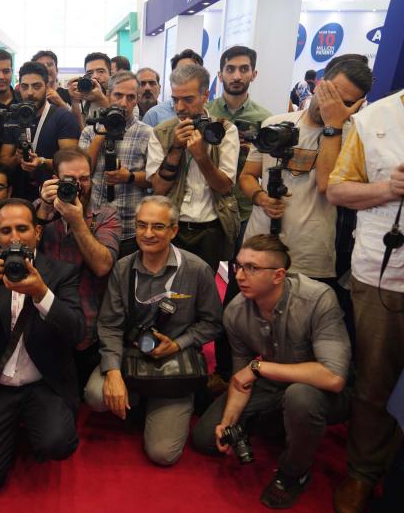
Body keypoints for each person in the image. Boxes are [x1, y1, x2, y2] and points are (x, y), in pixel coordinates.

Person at [191, 234, 350, 509]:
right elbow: (241, 379)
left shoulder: (317, 299)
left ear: (278, 275)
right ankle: (279, 424)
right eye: (239, 266)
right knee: (207, 439)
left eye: (252, 268)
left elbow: (334, 377)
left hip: (321, 391)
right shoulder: (236, 311)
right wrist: (228, 421)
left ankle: (294, 473)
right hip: (272, 384)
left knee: (300, 398)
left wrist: (259, 367)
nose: (239, 275)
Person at [0, 198, 85, 495]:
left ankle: (29, 430)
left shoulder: (61, 273)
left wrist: (42, 293)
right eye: (5, 230)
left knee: (58, 443)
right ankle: (3, 434)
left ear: (37, 232)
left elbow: (77, 332)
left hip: (42, 383)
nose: (14, 237)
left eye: (22, 228)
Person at [85, 196, 222, 466]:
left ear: (173, 230)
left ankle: (160, 401)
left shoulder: (196, 269)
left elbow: (213, 323)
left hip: (175, 362)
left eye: (158, 226)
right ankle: (137, 395)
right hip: (132, 354)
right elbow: (110, 324)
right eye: (141, 225)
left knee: (163, 454)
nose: (148, 234)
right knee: (96, 395)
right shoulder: (123, 268)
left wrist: (179, 343)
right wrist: (113, 373)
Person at [327, 89, 404, 513]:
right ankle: (363, 471)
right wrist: (388, 188)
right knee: (375, 379)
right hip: (383, 274)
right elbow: (337, 190)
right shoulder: (375, 118)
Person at [240, 60, 371, 284]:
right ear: (319, 85)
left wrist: (333, 126)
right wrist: (261, 198)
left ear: (357, 105)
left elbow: (326, 185)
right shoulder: (275, 123)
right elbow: (247, 175)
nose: (333, 106)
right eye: (331, 94)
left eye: (345, 103)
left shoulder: (355, 139)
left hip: (310, 257)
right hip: (257, 247)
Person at [206, 45, 273, 386]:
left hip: (246, 214)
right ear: (220, 74)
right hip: (209, 211)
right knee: (200, 287)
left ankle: (227, 368)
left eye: (243, 69)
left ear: (254, 74)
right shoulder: (205, 113)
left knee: (239, 292)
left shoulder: (266, 119)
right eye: (230, 69)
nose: (236, 75)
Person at [36, 148, 121, 392]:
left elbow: (102, 266)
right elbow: (22, 254)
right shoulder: (38, 210)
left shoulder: (105, 215)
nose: (78, 186)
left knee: (87, 394)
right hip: (42, 323)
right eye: (70, 180)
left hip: (87, 326)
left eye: (84, 178)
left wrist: (77, 221)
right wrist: (43, 210)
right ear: (54, 180)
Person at [146, 63, 240, 271]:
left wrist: (201, 157)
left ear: (205, 95)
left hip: (211, 227)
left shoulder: (225, 130)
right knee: (169, 284)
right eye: (175, 99)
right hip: (172, 226)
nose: (179, 107)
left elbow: (224, 186)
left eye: (187, 99)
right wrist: (176, 149)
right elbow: (158, 188)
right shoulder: (161, 132)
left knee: (204, 285)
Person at [80, 70, 155, 257]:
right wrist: (101, 135)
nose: (123, 103)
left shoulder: (148, 133)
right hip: (96, 224)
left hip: (130, 227)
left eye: (130, 97)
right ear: (108, 95)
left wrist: (129, 177)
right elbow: (82, 172)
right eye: (118, 95)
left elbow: (155, 179)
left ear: (137, 99)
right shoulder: (90, 131)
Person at [0, 61, 80, 200]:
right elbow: (3, 161)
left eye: (36, 86)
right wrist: (17, 159)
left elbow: (71, 163)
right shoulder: (14, 118)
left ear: (47, 87)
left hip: (54, 195)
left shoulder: (63, 117)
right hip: (20, 196)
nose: (30, 93)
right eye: (24, 86)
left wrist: (42, 161)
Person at [142, 49, 204, 128]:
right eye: (181, 73)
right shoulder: (154, 115)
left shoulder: (211, 113)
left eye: (191, 73)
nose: (186, 78)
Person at [68, 51, 112, 129]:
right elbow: (78, 131)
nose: (95, 76)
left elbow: (124, 127)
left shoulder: (121, 96)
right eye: (90, 73)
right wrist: (74, 102)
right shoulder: (83, 99)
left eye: (101, 71)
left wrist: (101, 99)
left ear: (110, 74)